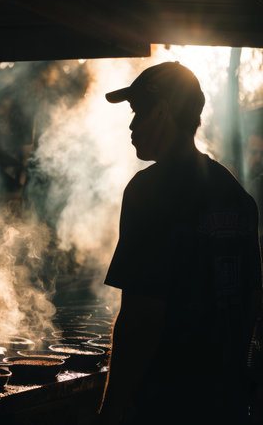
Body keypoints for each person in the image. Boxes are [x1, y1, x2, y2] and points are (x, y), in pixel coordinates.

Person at [98, 61, 262, 425]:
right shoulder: (237, 196)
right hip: (227, 402)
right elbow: (251, 300)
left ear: (162, 110)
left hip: (166, 402)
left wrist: (112, 407)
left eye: (137, 112)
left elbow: (141, 313)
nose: (131, 125)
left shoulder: (149, 190)